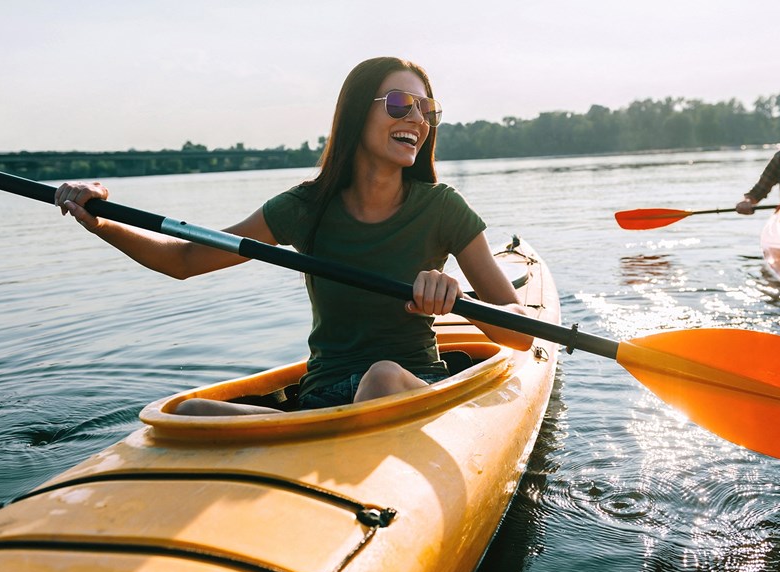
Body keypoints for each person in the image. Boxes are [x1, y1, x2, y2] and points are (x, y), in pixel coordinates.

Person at [54, 57, 533, 415]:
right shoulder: (305, 207)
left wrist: (454, 298)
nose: (417, 119)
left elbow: (518, 333)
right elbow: (183, 259)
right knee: (186, 411)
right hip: (321, 398)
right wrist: (100, 220)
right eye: (400, 104)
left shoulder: (442, 207)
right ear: (354, 113)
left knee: (381, 377)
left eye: (427, 109)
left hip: (408, 387)